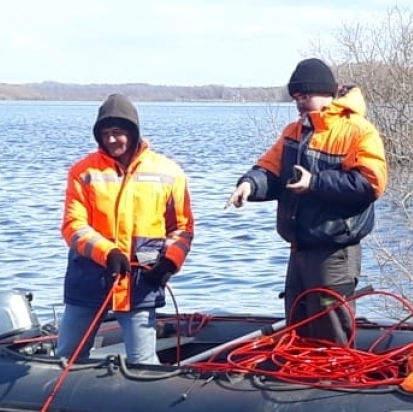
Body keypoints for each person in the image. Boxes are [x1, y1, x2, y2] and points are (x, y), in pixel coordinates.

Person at [227, 58, 387, 347]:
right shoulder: (294, 131)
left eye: (305, 96)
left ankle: (336, 383)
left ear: (327, 93)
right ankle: (298, 382)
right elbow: (270, 170)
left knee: (331, 328)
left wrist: (314, 183)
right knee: (298, 324)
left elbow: (370, 184)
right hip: (299, 248)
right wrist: (249, 185)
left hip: (335, 252)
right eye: (296, 98)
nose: (300, 103)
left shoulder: (358, 131)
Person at [57, 93, 195, 364]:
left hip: (141, 284)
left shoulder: (169, 173)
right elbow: (73, 226)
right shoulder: (82, 172)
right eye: (105, 133)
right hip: (88, 281)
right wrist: (107, 252)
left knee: (143, 363)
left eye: (117, 132)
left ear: (133, 132)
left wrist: (169, 263)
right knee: (66, 358)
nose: (111, 140)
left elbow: (182, 228)